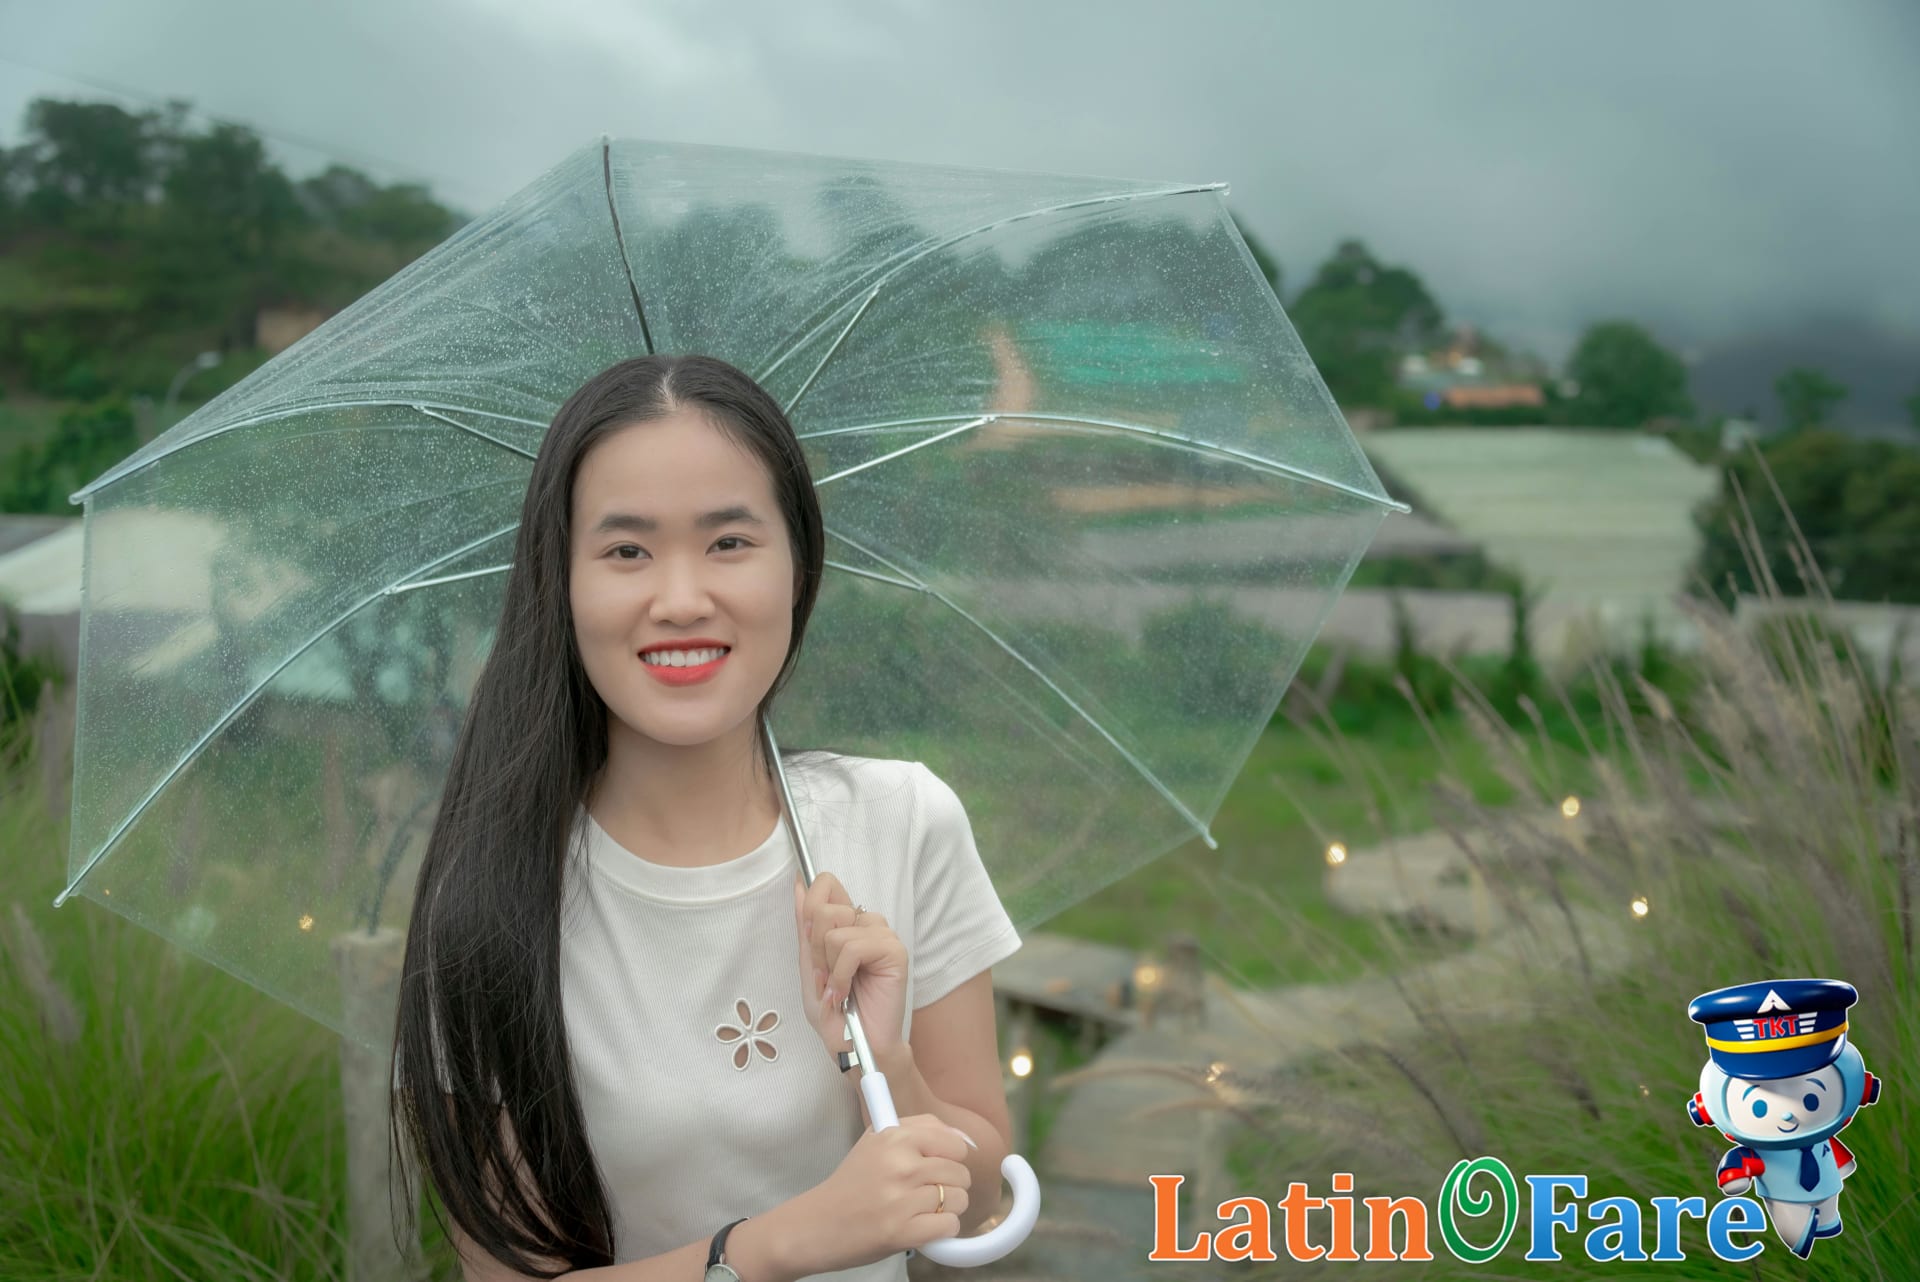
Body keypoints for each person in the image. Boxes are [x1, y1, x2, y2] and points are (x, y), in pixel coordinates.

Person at [389, 354, 1024, 1280]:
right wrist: (776, 1247)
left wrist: (884, 1062)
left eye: (729, 542)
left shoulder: (903, 821)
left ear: (797, 565)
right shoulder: (494, 890)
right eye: (627, 551)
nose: (682, 601)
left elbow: (978, 1207)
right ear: (561, 584)